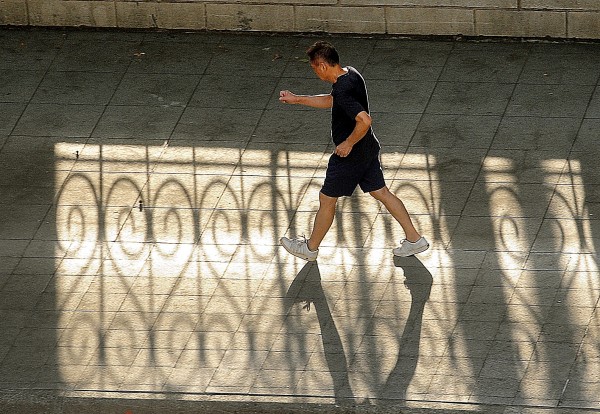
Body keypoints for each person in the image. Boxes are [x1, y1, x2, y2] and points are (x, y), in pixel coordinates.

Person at [279, 41, 428, 262]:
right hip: (367, 148)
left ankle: (310, 249)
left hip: (350, 157)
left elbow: (364, 120)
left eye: (313, 68)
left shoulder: (342, 89)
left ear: (321, 66)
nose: (314, 72)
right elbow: (333, 101)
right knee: (382, 193)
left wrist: (348, 143)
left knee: (326, 199)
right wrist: (298, 99)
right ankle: (415, 240)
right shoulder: (351, 74)